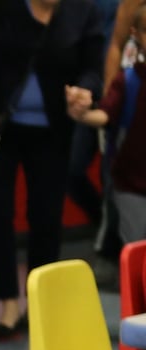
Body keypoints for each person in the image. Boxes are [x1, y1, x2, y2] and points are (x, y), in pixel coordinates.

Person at [0, 0, 107, 339]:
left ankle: (39, 306)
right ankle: (7, 305)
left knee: (47, 217)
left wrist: (85, 91)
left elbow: (93, 67)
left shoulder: (82, 11)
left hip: (53, 130)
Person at [74, 3, 146, 242]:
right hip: (130, 180)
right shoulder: (128, 81)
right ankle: (107, 244)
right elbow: (116, 43)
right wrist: (89, 109)